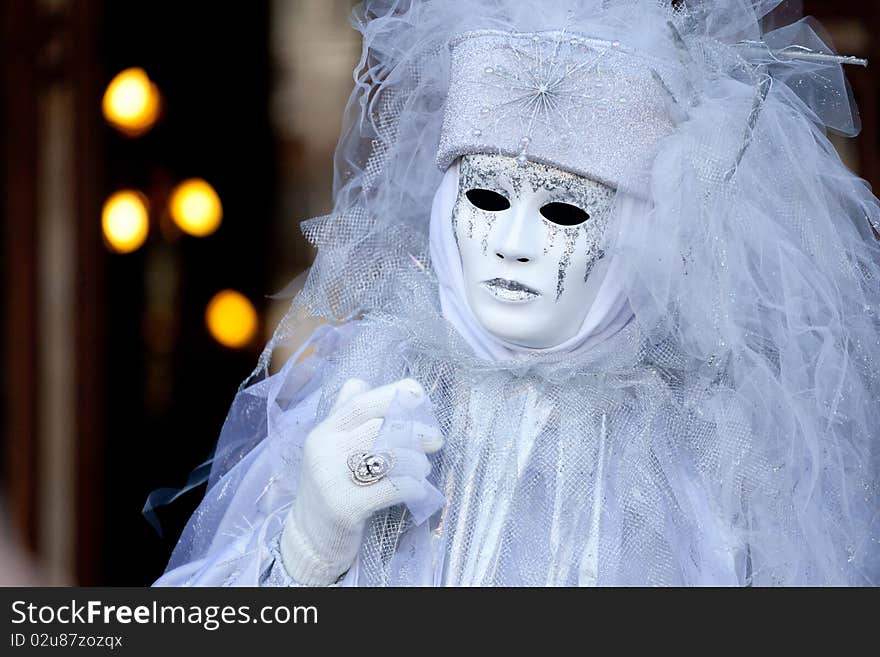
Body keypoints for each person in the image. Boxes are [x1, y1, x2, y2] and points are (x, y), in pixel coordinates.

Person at [153, 0, 880, 586]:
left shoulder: (711, 444)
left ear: (638, 233)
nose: (513, 241)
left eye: (564, 209)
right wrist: (304, 550)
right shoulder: (371, 387)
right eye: (489, 196)